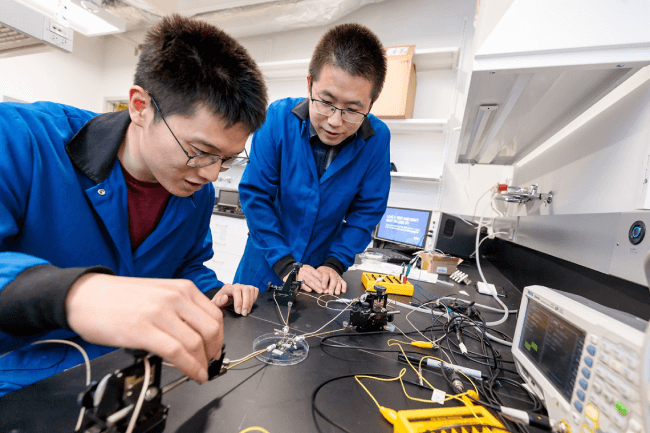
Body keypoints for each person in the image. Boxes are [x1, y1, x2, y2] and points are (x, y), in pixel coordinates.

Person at [0, 15, 267, 397]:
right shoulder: (21, 140)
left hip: (128, 378)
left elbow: (184, 265)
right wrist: (76, 293)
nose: (211, 175)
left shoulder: (194, 193)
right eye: (201, 152)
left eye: (226, 159)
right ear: (140, 106)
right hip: (25, 385)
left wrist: (212, 293)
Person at [233, 23, 390, 296]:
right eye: (326, 102)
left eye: (353, 110)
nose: (335, 122)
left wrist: (335, 263)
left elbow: (366, 213)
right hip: (264, 265)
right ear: (309, 84)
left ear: (371, 104)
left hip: (319, 278)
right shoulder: (278, 119)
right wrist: (285, 264)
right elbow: (257, 197)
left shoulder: (376, 139)